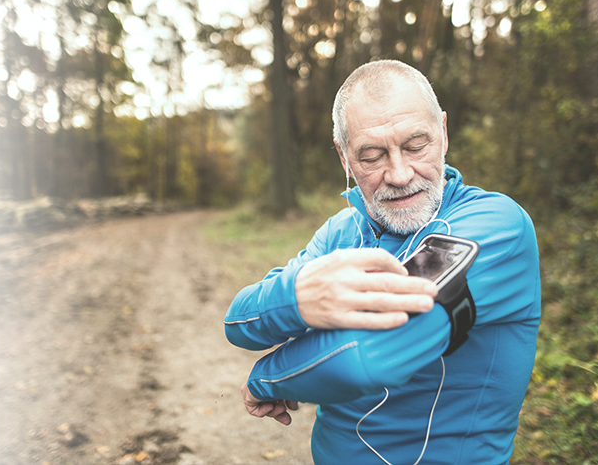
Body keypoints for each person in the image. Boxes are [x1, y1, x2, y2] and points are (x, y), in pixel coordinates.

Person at [224, 59, 541, 465]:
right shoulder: (342, 230)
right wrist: (300, 297)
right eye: (372, 156)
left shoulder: (494, 225)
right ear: (344, 158)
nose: (399, 172)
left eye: (415, 145)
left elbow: (368, 355)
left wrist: (264, 380)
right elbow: (239, 322)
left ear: (443, 132)